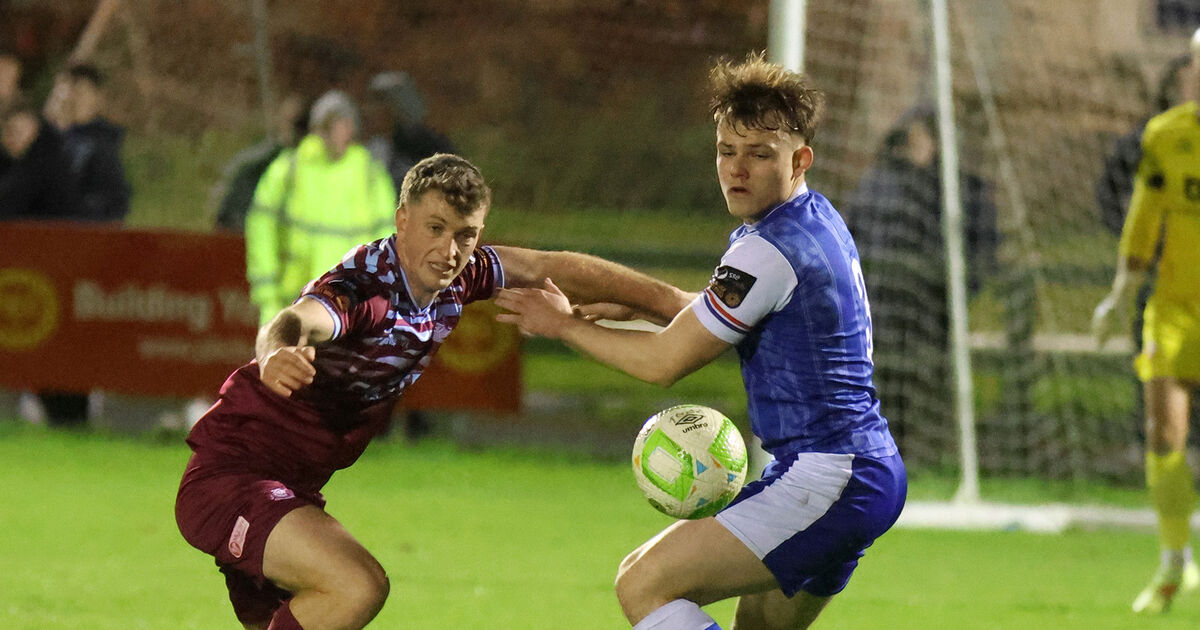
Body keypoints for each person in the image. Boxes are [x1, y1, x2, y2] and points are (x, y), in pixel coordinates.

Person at [175, 153, 693, 630]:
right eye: (435, 229)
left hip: (295, 489)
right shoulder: (367, 287)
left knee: (319, 609)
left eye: (465, 236)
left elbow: (550, 267)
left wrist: (677, 305)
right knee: (358, 585)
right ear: (402, 219)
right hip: (233, 474)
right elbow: (298, 318)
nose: (449, 252)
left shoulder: (461, 277)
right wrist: (278, 352)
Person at [495, 53, 905, 630]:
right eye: (726, 151)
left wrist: (564, 325)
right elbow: (730, 315)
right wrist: (639, 305)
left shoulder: (767, 249)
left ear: (800, 159)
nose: (737, 169)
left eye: (760, 155)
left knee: (644, 583)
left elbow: (666, 363)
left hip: (830, 478)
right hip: (858, 471)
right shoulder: (811, 219)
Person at [1093, 26, 1200, 615]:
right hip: (1175, 309)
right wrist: (1119, 293)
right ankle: (1175, 559)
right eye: (1195, 64)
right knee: (1164, 434)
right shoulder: (1166, 136)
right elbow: (1143, 218)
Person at [845, 106, 998, 465]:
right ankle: (879, 452)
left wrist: (960, 289)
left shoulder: (961, 188)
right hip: (879, 303)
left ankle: (917, 453)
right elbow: (854, 236)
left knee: (925, 378)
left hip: (932, 307)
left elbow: (983, 246)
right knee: (877, 378)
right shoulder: (878, 183)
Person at [245, 89, 396, 325]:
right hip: (295, 300)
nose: (338, 131)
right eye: (330, 124)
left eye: (344, 124)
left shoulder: (369, 175)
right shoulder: (290, 169)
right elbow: (261, 229)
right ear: (318, 128)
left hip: (351, 306)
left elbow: (386, 242)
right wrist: (267, 294)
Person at [213, 93, 308, 232]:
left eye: (300, 124)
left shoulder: (324, 168)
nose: (293, 129)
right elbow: (228, 221)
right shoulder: (254, 166)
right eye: (290, 122)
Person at [57, 63, 131, 223]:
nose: (72, 99)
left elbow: (115, 200)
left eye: (79, 92)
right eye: (67, 92)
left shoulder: (105, 142)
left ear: (97, 97)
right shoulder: (51, 139)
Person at [363, 70, 455, 192]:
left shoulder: (430, 146)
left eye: (381, 102)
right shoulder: (372, 150)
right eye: (374, 103)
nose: (372, 111)